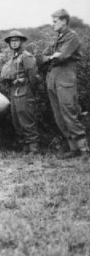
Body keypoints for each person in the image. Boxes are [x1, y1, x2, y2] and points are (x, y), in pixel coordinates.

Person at [42, 9, 88, 159]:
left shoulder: (72, 37)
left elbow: (62, 56)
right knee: (59, 115)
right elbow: (41, 57)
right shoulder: (56, 38)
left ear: (64, 21)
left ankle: (84, 150)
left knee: (70, 112)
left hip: (66, 77)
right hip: (53, 78)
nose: (53, 24)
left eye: (55, 21)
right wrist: (51, 57)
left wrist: (52, 57)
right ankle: (73, 148)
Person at [0, 30, 39, 154]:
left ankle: (34, 148)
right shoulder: (13, 58)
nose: (14, 43)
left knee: (26, 119)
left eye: (16, 40)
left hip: (25, 90)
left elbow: (33, 76)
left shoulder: (26, 56)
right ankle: (25, 147)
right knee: (17, 120)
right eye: (12, 41)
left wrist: (30, 90)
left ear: (21, 42)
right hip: (15, 91)